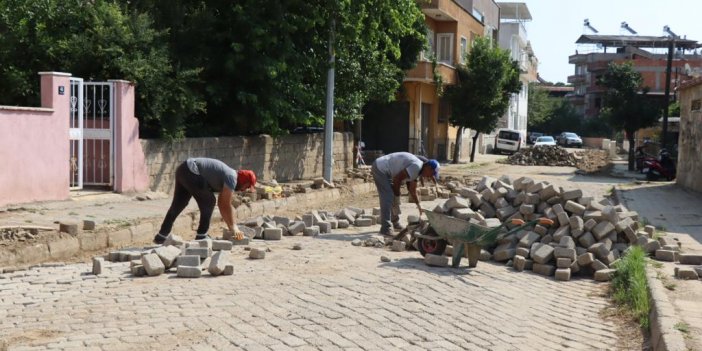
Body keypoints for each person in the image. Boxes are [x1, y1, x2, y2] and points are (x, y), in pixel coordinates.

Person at [153, 158, 257, 244]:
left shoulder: (229, 175)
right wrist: (234, 227)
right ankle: (201, 236)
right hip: (192, 171)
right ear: (244, 180)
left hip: (183, 169)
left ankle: (161, 236)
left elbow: (222, 203)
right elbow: (224, 204)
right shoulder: (232, 178)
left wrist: (231, 227)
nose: (245, 189)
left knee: (179, 204)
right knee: (209, 201)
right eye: (247, 186)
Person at [371, 152, 439, 236]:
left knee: (393, 197)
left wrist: (418, 205)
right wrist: (397, 194)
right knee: (388, 197)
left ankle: (395, 223)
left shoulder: (418, 170)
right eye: (432, 174)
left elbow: (412, 190)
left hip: (386, 170)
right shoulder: (416, 167)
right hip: (380, 168)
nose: (430, 177)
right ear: (428, 168)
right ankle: (385, 228)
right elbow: (397, 179)